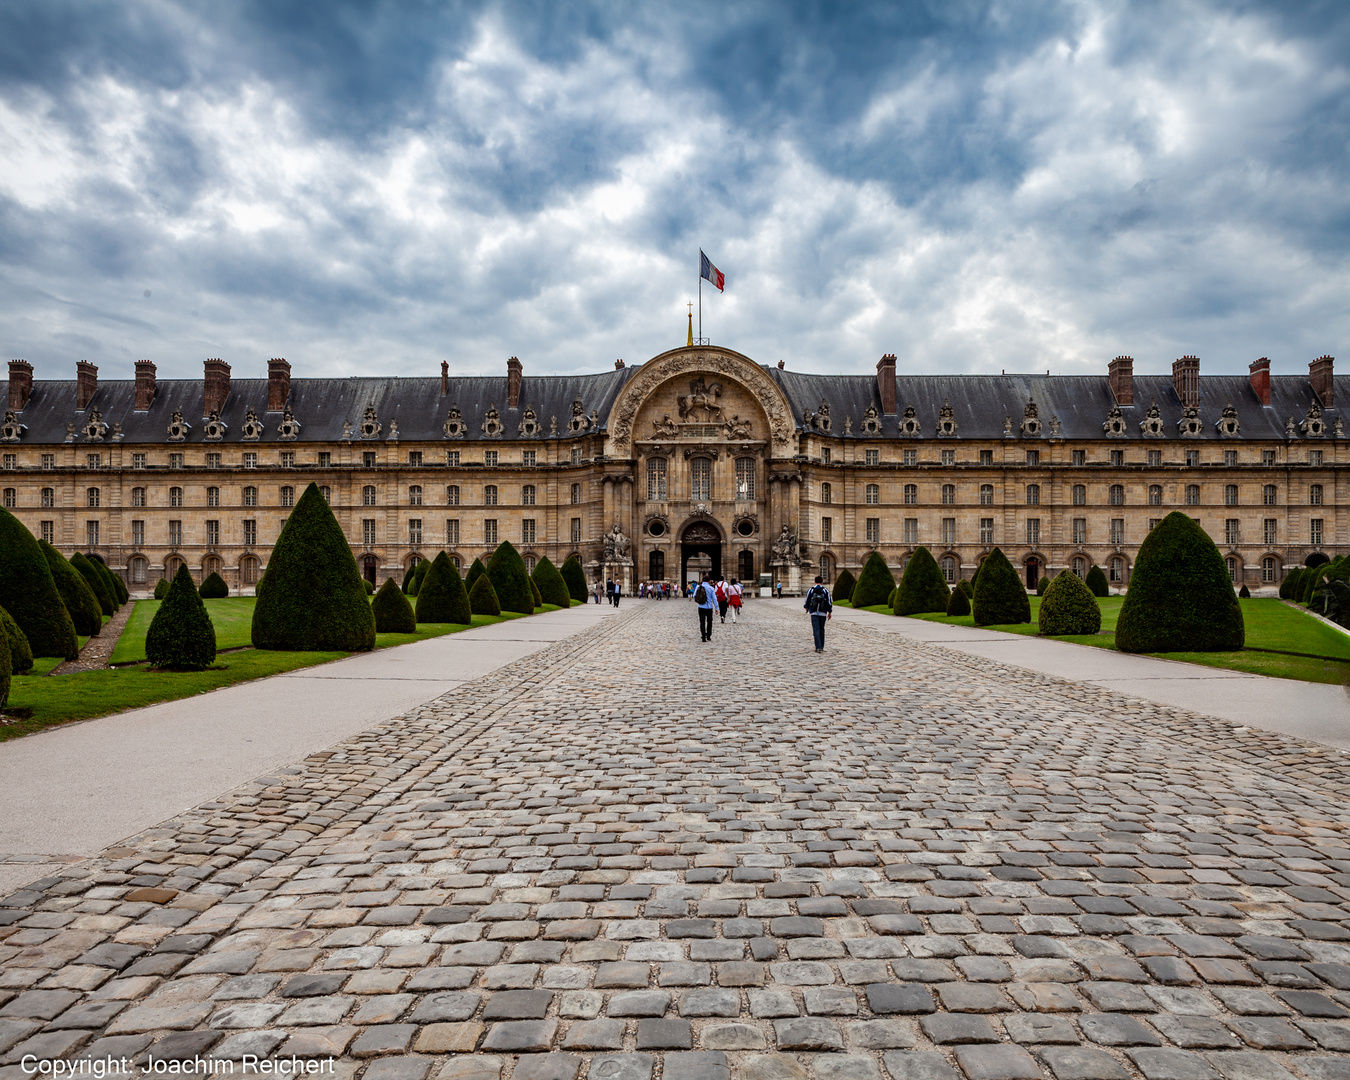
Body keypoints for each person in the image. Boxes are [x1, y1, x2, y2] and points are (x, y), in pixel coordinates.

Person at [803, 574, 832, 652]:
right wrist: (830, 611)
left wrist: (806, 607)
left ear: (815, 581)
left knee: (816, 630)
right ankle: (821, 647)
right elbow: (829, 601)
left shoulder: (811, 590)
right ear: (822, 582)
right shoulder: (825, 590)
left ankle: (818, 647)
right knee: (821, 629)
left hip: (814, 612)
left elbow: (807, 600)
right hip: (823, 612)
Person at [693, 574, 716, 641]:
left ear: (702, 580)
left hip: (701, 607)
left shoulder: (698, 587)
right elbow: (714, 599)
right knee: (709, 622)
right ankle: (708, 636)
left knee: (702, 622)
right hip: (709, 607)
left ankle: (703, 636)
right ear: (709, 581)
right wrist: (716, 608)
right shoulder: (711, 588)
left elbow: (694, 595)